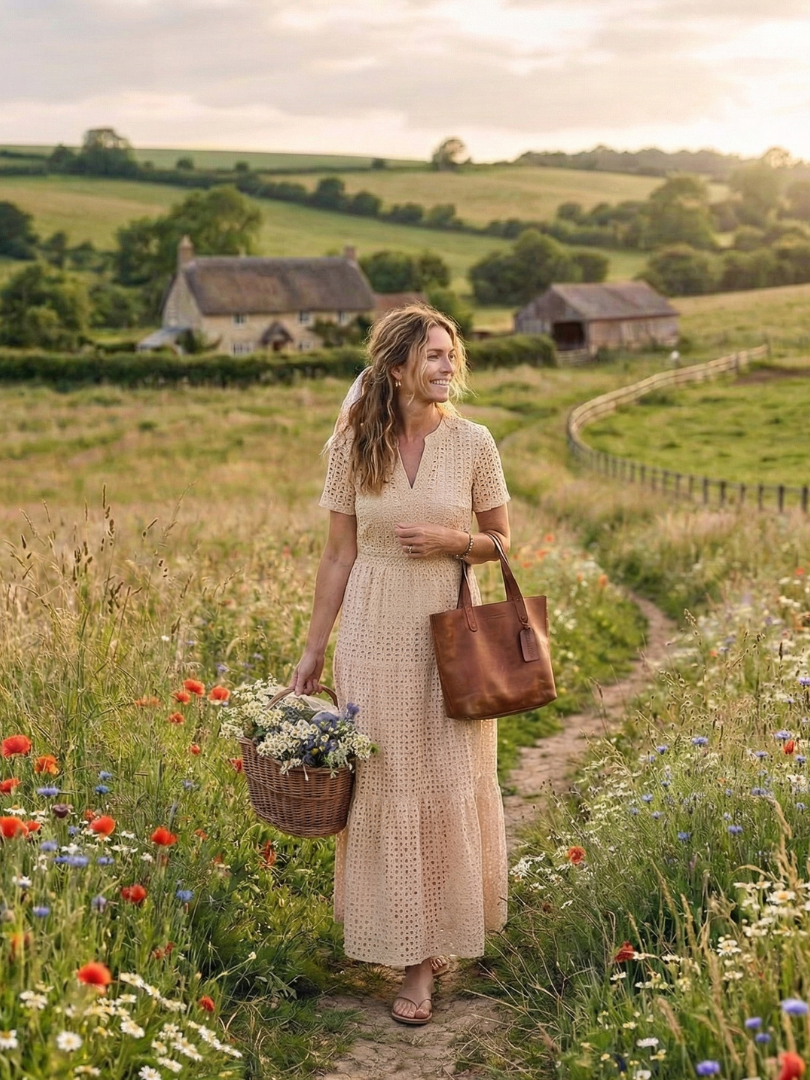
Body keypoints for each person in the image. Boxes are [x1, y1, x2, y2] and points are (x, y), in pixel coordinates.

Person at [292, 304, 510, 1026]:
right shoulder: (354, 445)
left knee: (443, 775)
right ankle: (406, 945)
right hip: (374, 630)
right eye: (434, 356)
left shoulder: (474, 442)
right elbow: (337, 555)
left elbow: (502, 542)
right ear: (395, 368)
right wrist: (313, 648)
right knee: (387, 778)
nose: (449, 367)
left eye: (452, 355)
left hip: (449, 630)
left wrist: (453, 541)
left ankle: (430, 947)